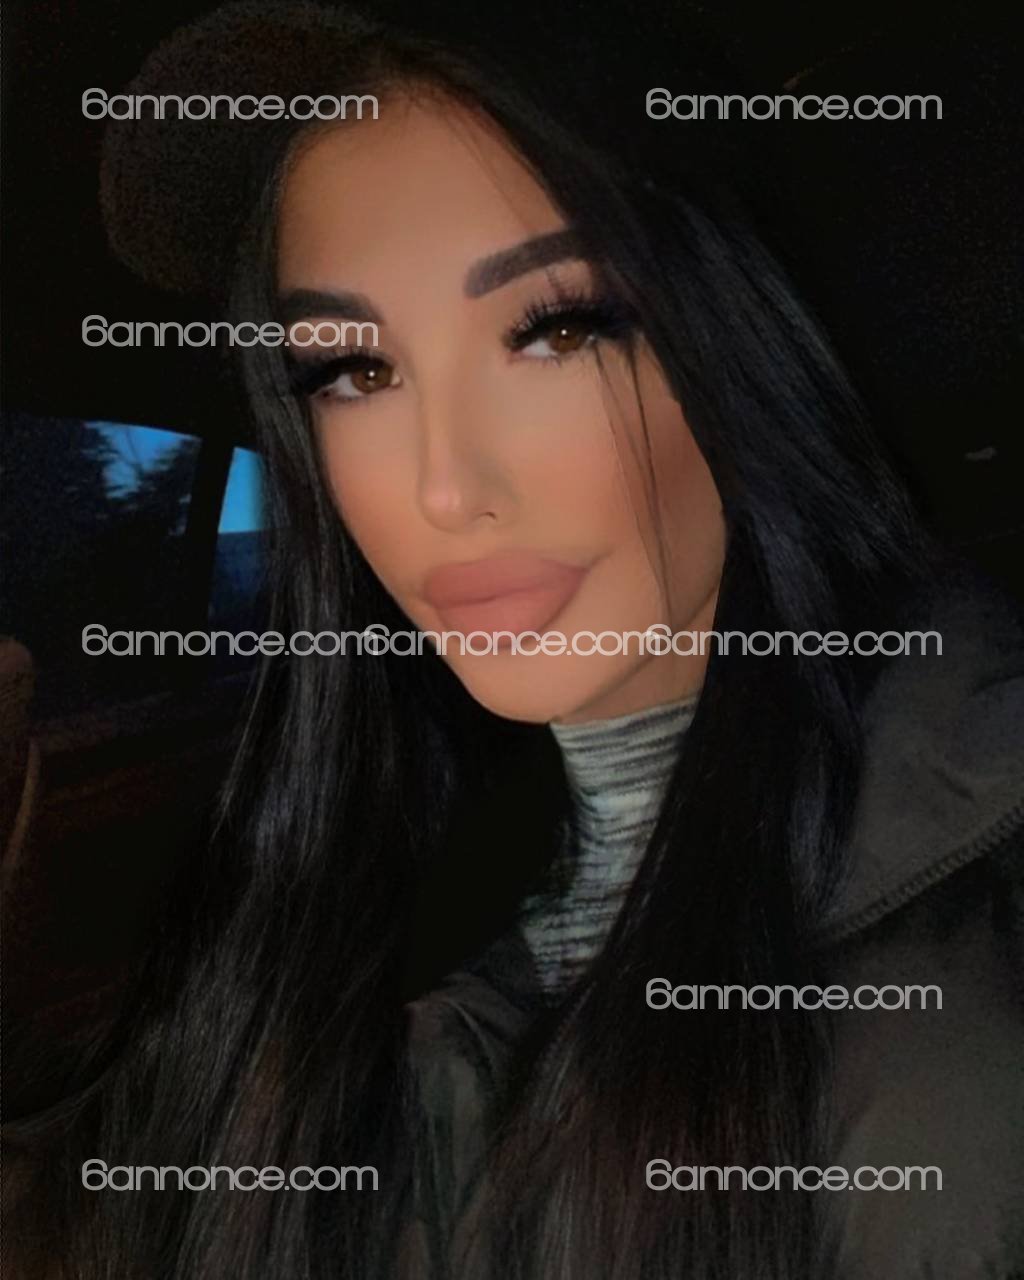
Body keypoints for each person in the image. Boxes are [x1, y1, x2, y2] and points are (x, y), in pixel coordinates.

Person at [6, 3, 1023, 1277]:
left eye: (554, 328)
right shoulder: (381, 864)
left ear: (737, 337)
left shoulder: (945, 1062)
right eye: (354, 371)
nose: (443, 487)